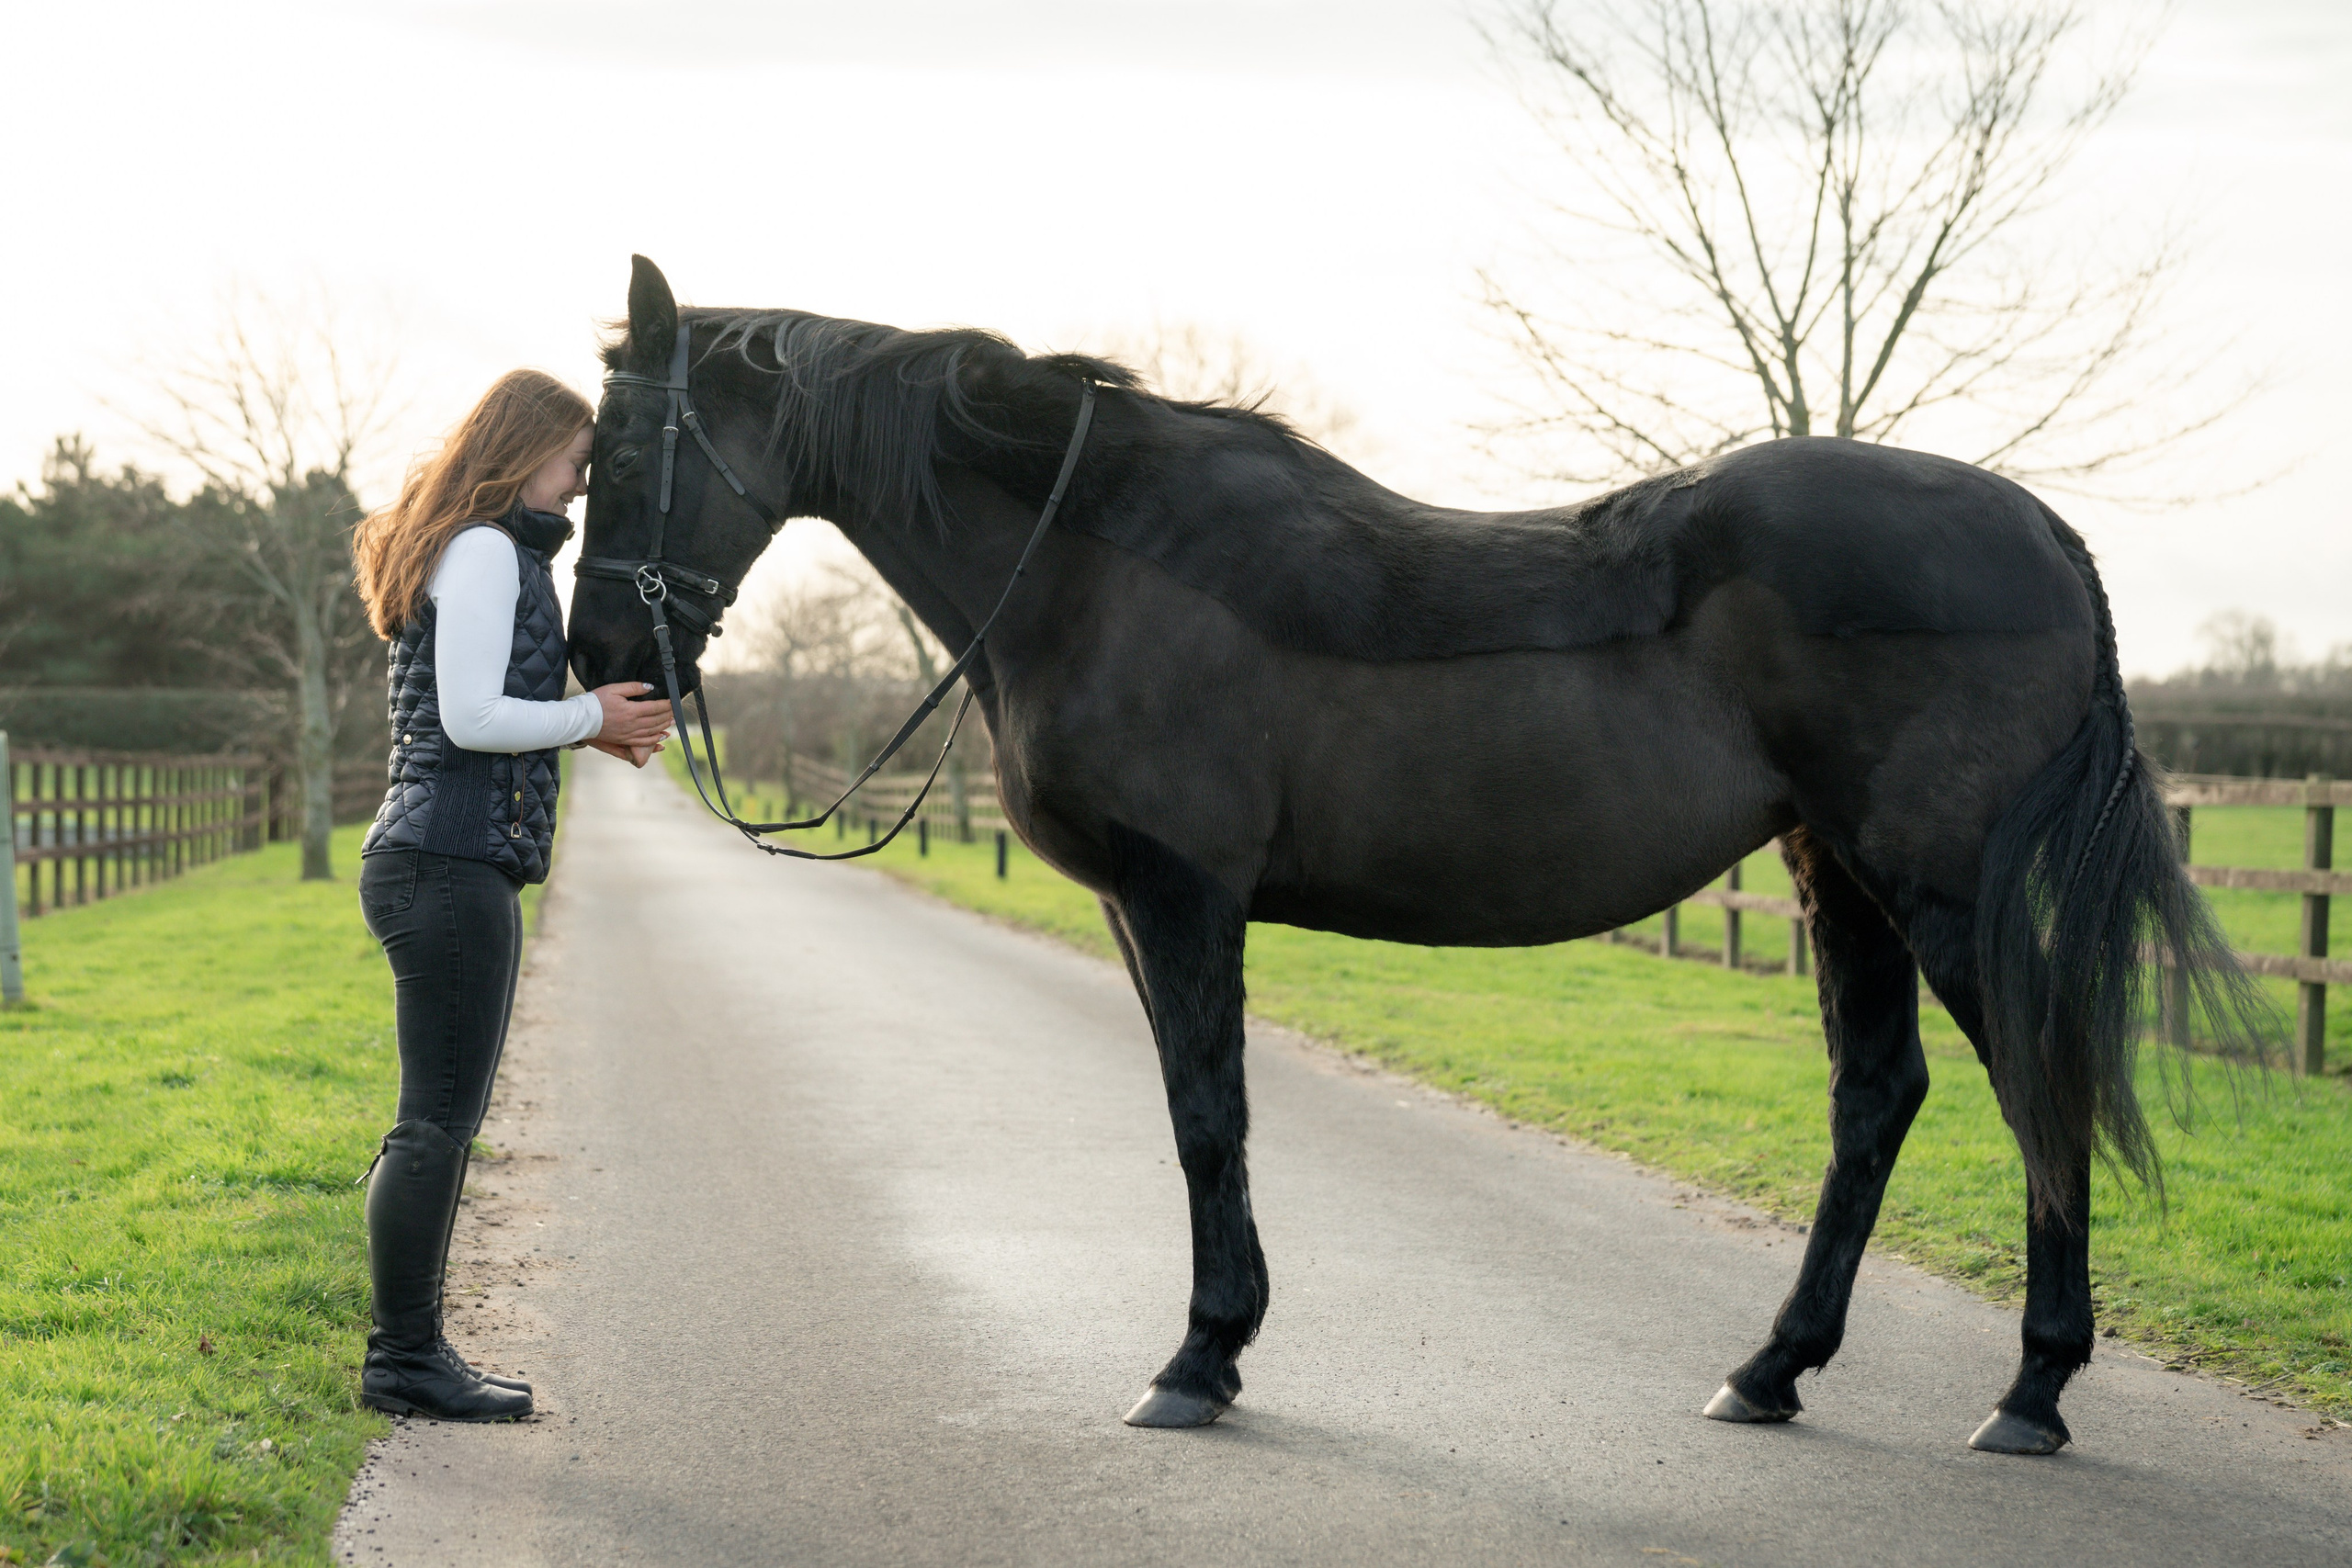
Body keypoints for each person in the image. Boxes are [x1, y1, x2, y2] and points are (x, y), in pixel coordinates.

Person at [347, 369, 672, 1420]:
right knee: (434, 1125)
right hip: (444, 868)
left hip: (444, 862)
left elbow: (487, 712)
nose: (581, 488)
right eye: (577, 463)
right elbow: (474, 717)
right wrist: (588, 720)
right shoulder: (486, 549)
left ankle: (409, 1351)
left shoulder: (479, 547)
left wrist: (591, 725)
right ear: (526, 446)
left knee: (434, 1121)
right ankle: (404, 1363)